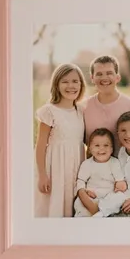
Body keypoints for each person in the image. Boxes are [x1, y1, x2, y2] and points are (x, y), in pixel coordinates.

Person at [34, 64, 86, 217]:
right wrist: (42, 175)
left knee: (71, 203)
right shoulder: (49, 111)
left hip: (75, 166)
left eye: (75, 81)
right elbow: (41, 145)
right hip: (54, 167)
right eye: (65, 81)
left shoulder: (81, 111)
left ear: (81, 84)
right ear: (56, 84)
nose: (71, 86)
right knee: (53, 204)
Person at [81, 55, 130, 145]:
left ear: (117, 78)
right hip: (93, 159)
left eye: (109, 73)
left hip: (125, 159)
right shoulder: (84, 106)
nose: (104, 78)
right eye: (99, 74)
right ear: (92, 78)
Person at [73, 128, 128, 217]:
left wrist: (121, 185)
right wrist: (85, 192)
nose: (101, 149)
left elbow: (120, 180)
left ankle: (100, 213)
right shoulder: (87, 164)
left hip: (108, 196)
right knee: (79, 202)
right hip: (92, 195)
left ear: (111, 149)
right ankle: (86, 216)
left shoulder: (114, 162)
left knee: (120, 197)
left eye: (106, 145)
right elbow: (81, 181)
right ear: (90, 148)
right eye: (97, 145)